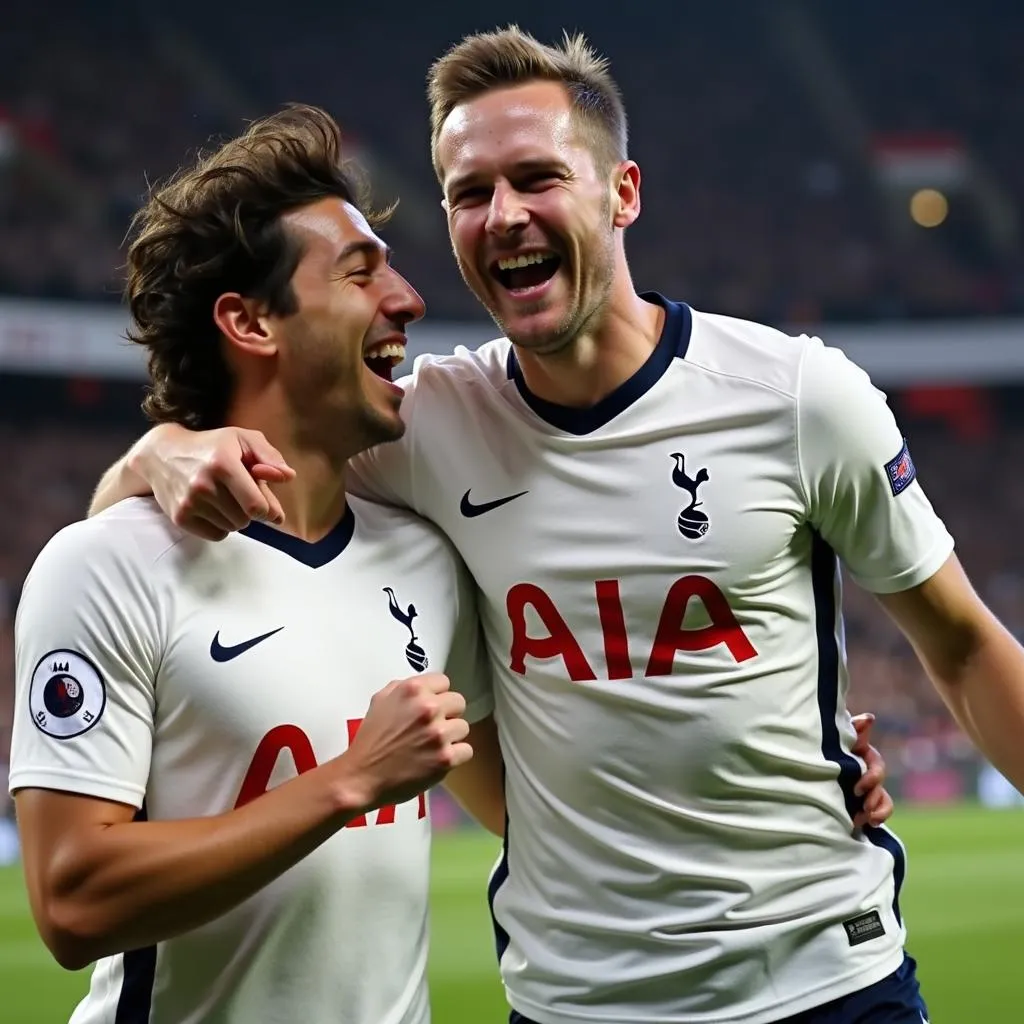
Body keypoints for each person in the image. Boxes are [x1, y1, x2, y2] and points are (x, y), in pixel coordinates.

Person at [78, 27, 966, 1024]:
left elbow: (965, 645)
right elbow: (128, 543)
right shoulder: (418, 431)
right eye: (468, 193)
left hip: (827, 985)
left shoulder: (792, 397)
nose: (503, 216)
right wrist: (154, 453)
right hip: (573, 1005)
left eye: (536, 178)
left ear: (621, 193)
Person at [9, 106, 503, 1024]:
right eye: (361, 274)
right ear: (249, 320)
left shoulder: (427, 561)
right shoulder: (105, 563)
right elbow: (73, 903)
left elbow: (524, 807)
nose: (407, 298)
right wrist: (348, 780)